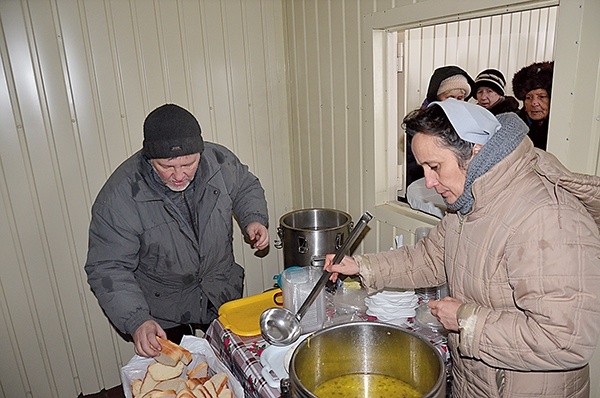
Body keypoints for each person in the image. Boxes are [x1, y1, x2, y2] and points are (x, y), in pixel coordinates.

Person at [325, 99, 600, 397]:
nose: (428, 182)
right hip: (476, 382)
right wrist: (360, 266)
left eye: (435, 166)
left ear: (476, 152)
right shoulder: (468, 203)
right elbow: (430, 258)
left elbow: (566, 339)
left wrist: (466, 320)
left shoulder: (547, 217)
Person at [85, 103, 269, 358]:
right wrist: (137, 320)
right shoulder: (120, 196)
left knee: (230, 365)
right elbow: (108, 267)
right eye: (166, 166)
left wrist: (254, 219)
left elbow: (246, 187)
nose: (179, 176)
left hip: (220, 289)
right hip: (164, 307)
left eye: (189, 164)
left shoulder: (219, 161)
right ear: (149, 158)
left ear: (200, 153)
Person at [407, 65, 475, 188]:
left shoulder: (469, 122)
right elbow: (413, 166)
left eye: (460, 98)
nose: (455, 103)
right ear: (437, 97)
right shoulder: (419, 128)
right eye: (450, 97)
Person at [512, 60, 554, 150]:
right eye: (528, 98)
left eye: (542, 97)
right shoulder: (513, 124)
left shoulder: (559, 125)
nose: (534, 103)